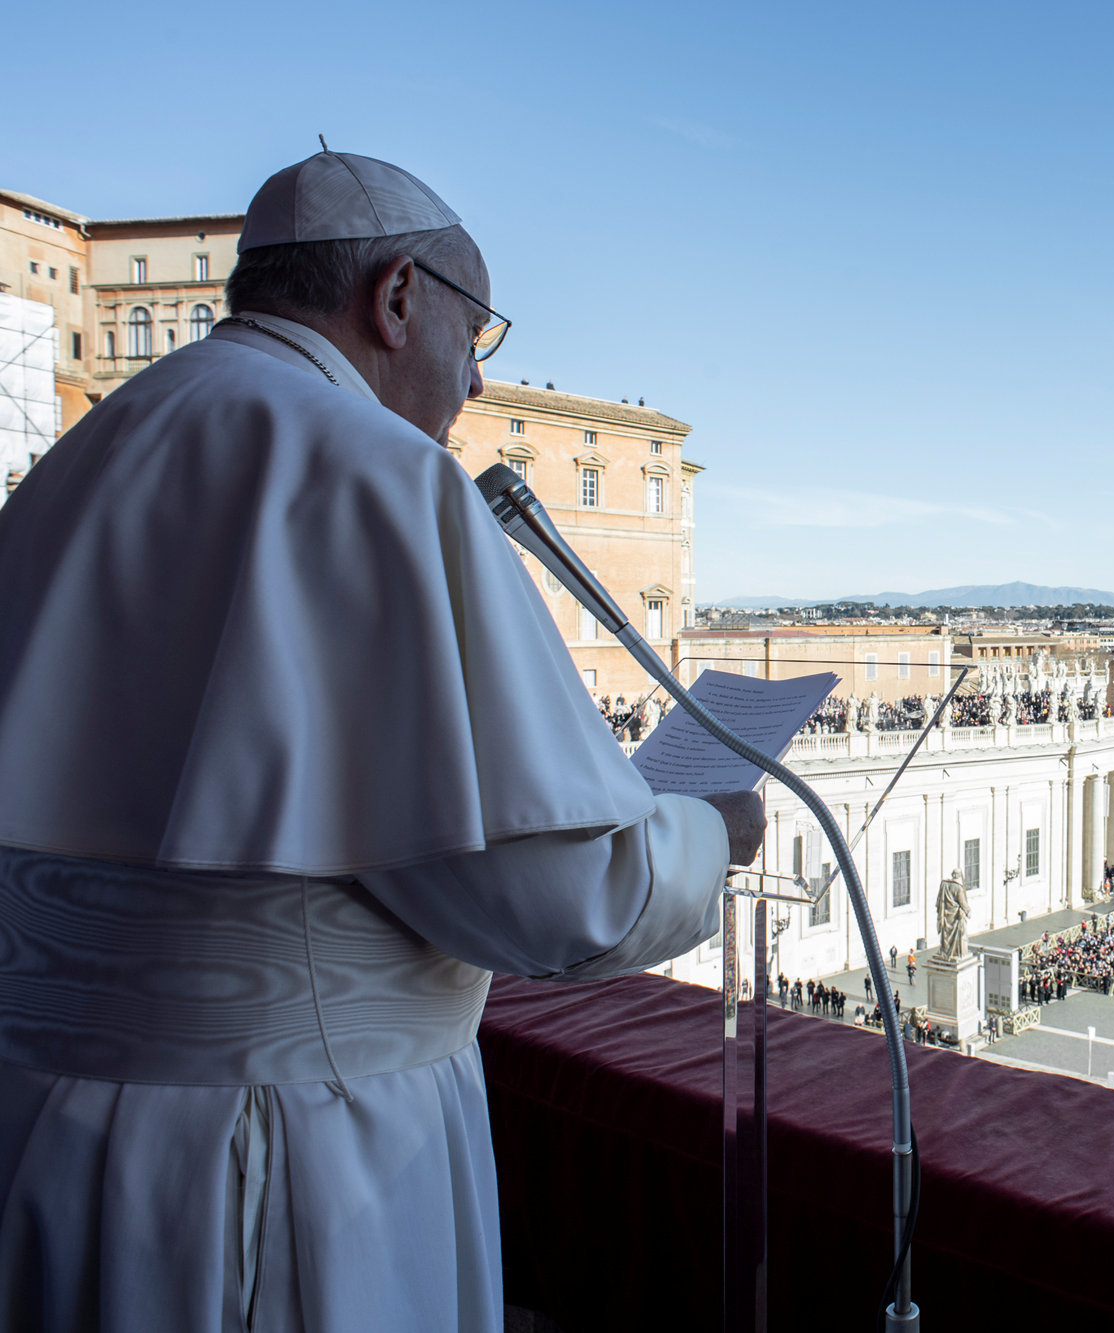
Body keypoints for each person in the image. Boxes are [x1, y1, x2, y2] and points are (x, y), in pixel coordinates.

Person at [0, 149, 766, 1331]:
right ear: (397, 296)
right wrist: (710, 836)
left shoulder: (73, 464)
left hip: (45, 1131)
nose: (474, 376)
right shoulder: (383, 474)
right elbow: (550, 896)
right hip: (284, 1154)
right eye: (476, 333)